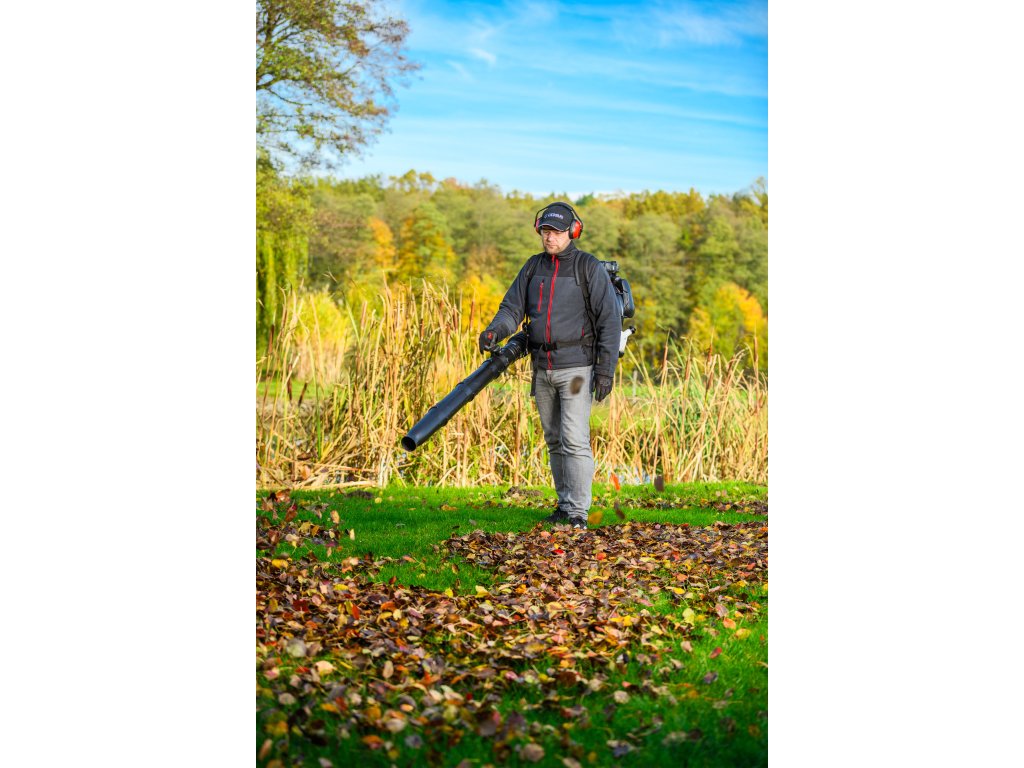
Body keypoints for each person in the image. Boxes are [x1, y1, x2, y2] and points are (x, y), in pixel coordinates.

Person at [478, 202, 620, 530]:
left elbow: (609, 321)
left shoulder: (587, 268)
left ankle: (579, 514)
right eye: (545, 231)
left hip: (577, 368)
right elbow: (511, 309)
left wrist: (605, 370)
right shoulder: (532, 267)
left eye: (556, 232)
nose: (549, 237)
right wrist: (495, 331)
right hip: (542, 368)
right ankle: (564, 506)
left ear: (573, 232)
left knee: (574, 438)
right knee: (555, 439)